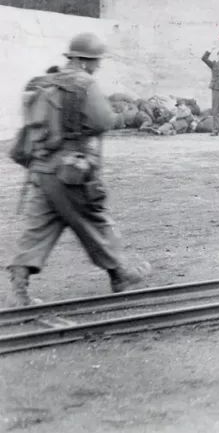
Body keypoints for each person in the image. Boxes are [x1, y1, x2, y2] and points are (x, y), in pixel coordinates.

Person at [6, 33, 151, 307]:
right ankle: (120, 274)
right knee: (95, 219)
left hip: (40, 171)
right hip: (70, 172)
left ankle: (18, 291)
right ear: (86, 61)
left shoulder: (46, 81)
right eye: (96, 62)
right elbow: (103, 121)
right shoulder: (84, 84)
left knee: (38, 228)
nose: (97, 67)